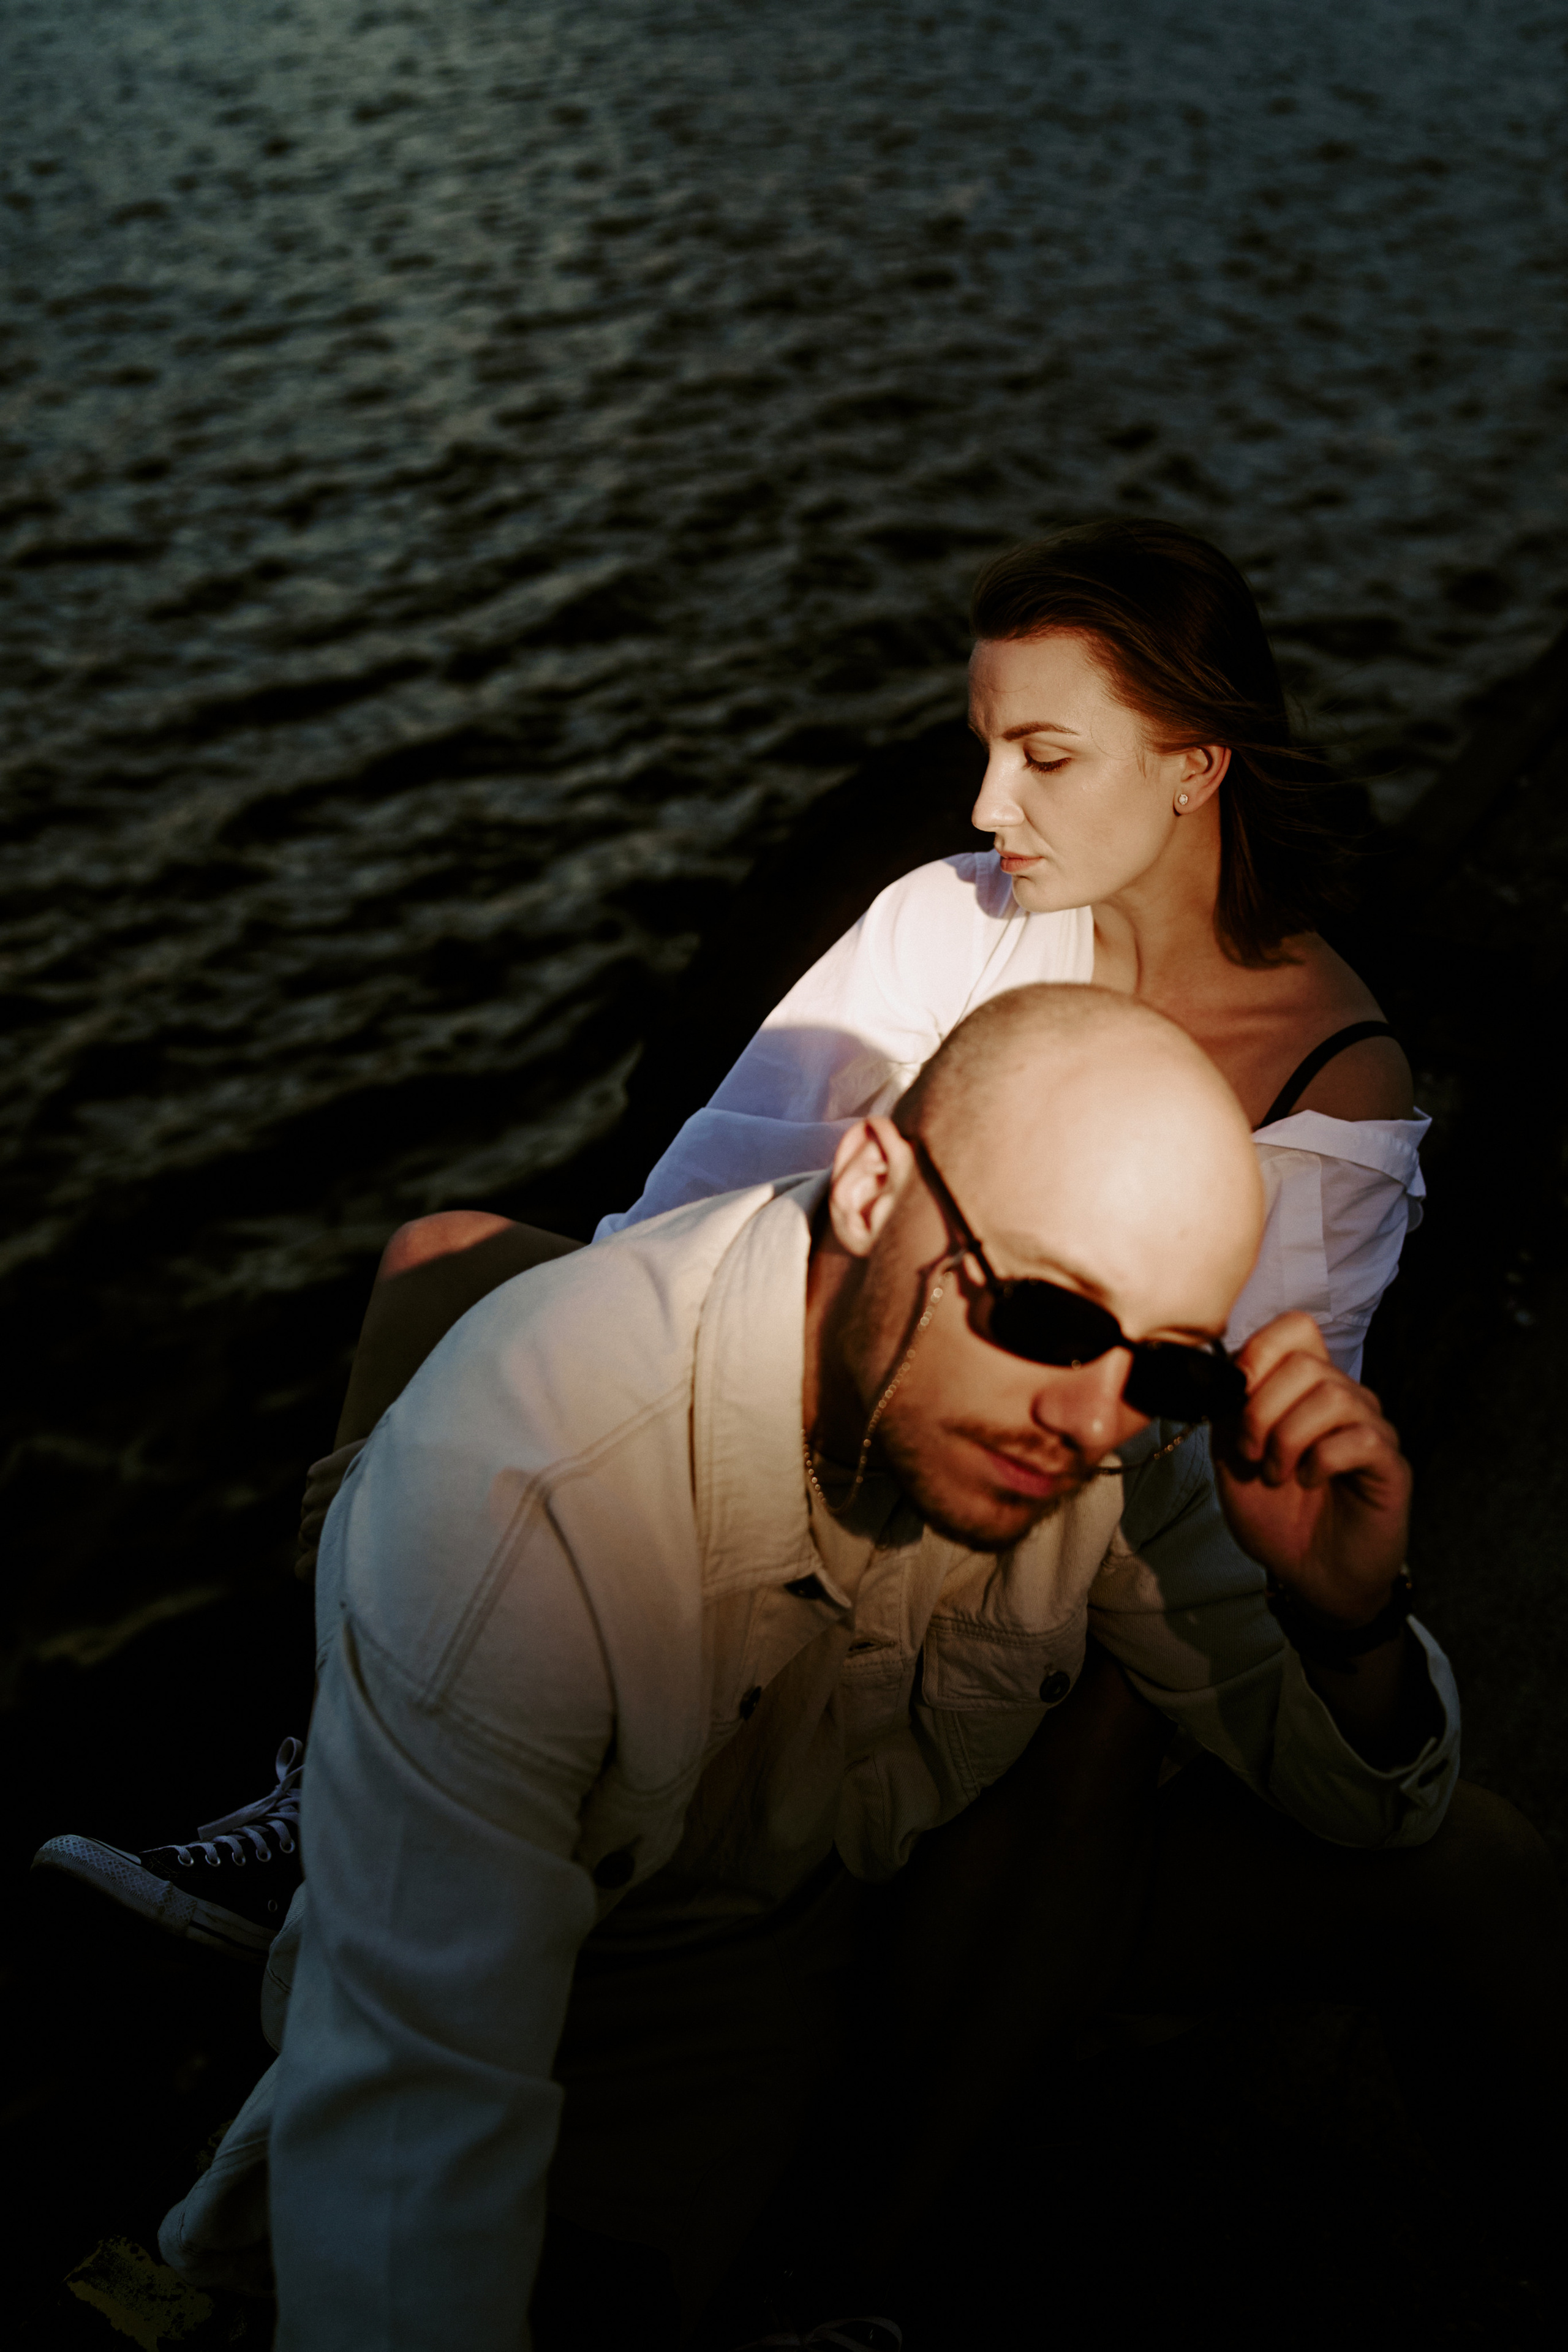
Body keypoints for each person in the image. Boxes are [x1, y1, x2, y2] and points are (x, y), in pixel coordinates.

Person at [32, 518, 1428, 1953]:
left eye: (1045, 756)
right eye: (986, 743)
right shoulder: (955, 917)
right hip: (815, 1376)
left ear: (1196, 764)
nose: (987, 800)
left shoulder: (1330, 1085)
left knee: (1114, 1707)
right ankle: (337, 1785)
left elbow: (1228, 1430)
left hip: (1054, 1490)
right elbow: (678, 1213)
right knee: (439, 1266)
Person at [149, 986, 1518, 2352]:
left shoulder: (1113, 1435)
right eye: (1043, 1314)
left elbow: (1373, 1808)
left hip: (889, 1928)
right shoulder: (530, 1486)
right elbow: (414, 2117)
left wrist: (1342, 1615)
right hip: (626, 2002)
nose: (1093, 1424)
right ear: (868, 1186)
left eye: (1166, 1369)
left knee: (1482, 1880)